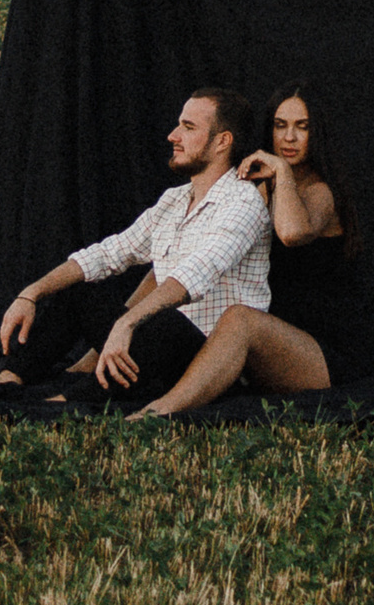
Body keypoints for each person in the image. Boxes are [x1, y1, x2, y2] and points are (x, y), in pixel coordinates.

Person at [0, 85, 269, 402]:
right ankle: (10, 377)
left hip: (210, 358)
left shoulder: (243, 201)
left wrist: (127, 322)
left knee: (165, 327)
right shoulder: (174, 200)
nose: (173, 136)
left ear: (222, 141)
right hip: (157, 345)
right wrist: (31, 293)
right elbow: (109, 253)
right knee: (80, 292)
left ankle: (70, 401)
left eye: (188, 128)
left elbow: (195, 275)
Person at [134, 85, 355, 415]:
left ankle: (159, 413)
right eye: (280, 125)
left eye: (302, 126)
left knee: (240, 319)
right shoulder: (258, 190)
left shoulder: (321, 192)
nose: (289, 137)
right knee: (171, 264)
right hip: (266, 344)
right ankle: (92, 360)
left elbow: (291, 233)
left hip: (319, 353)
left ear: (317, 133)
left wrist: (281, 170)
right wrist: (127, 321)